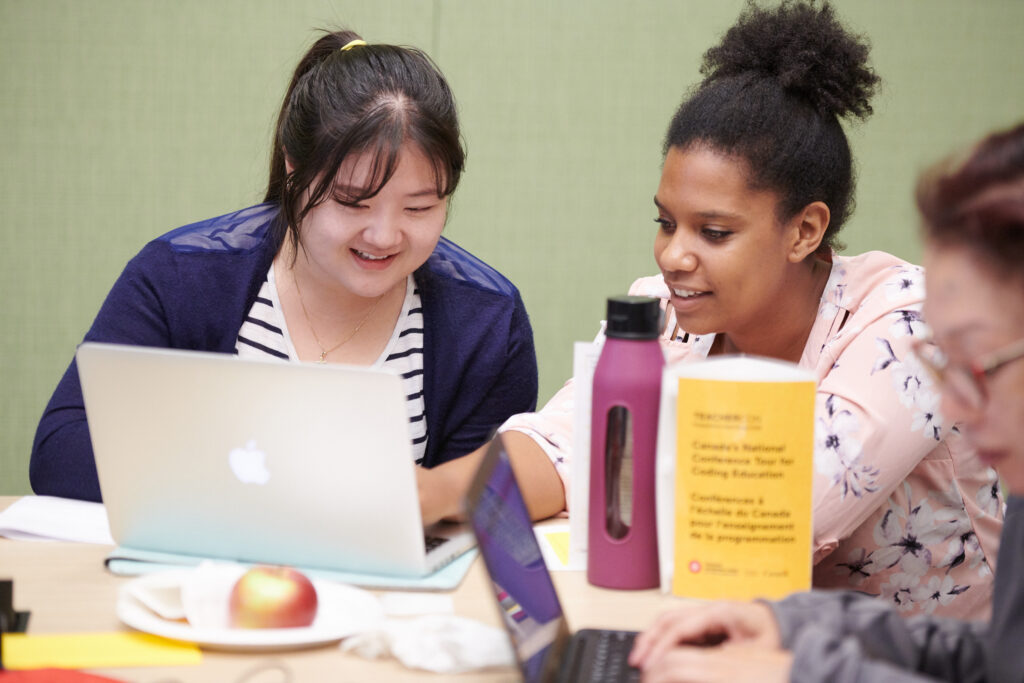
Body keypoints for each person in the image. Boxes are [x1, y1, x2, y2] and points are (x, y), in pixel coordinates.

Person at [418, 0, 1002, 619]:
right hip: (751, 639)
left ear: (804, 231)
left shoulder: (906, 326)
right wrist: (434, 492)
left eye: (713, 233)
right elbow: (567, 444)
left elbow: (769, 516)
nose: (673, 255)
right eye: (666, 223)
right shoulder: (663, 311)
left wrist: (604, 476)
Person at [30, 30, 538, 502]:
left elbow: (479, 513)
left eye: (420, 208)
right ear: (294, 167)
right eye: (352, 201)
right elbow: (61, 451)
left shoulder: (487, 322)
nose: (384, 236)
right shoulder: (181, 277)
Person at [628, 120, 1024, 683]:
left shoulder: (893, 314)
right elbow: (992, 658)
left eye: (980, 364)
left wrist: (794, 668)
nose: (954, 407)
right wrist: (788, 627)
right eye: (665, 224)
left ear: (806, 232)